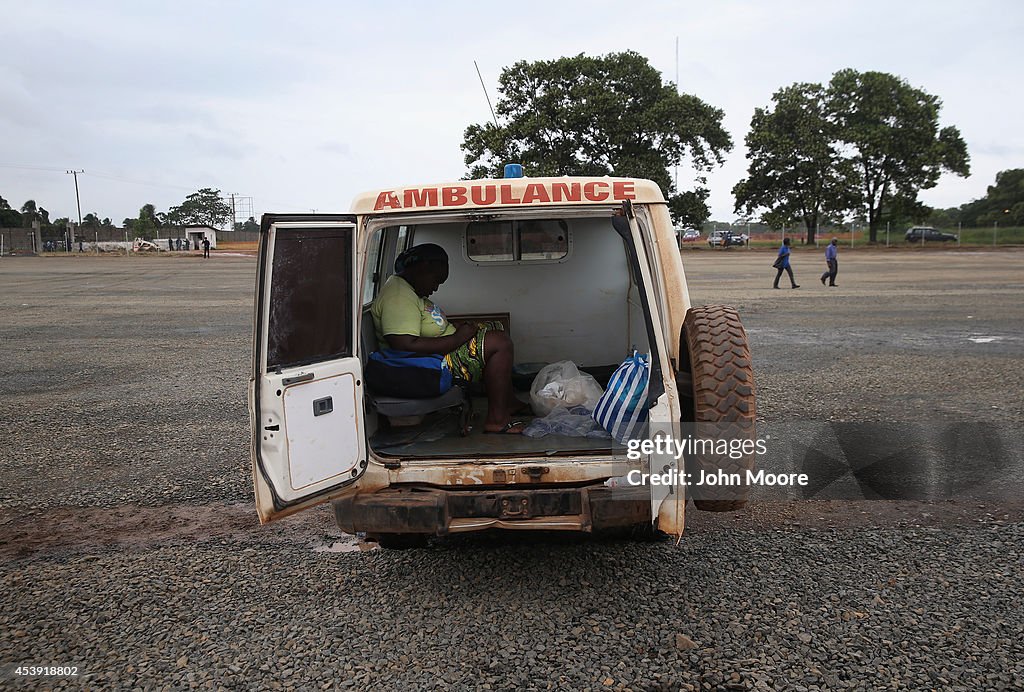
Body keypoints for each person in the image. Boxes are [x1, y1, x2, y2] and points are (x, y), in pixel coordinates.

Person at [371, 243, 527, 434]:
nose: (435, 288)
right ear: (422, 269)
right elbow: (404, 345)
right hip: (424, 364)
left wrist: (457, 332)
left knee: (495, 328)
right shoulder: (398, 296)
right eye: (436, 280)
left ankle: (507, 402)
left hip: (436, 353)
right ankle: (497, 419)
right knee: (500, 343)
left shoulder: (409, 290)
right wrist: (458, 338)